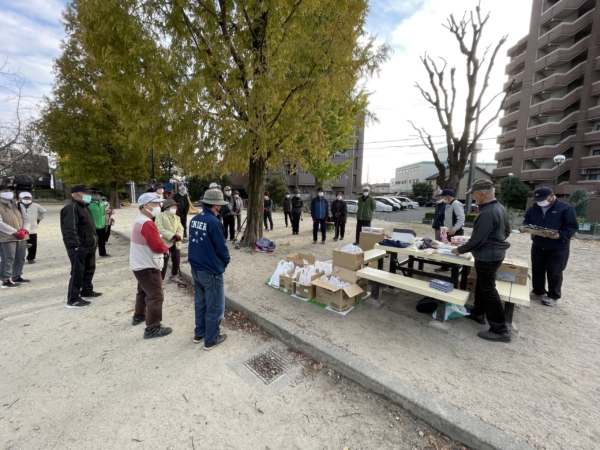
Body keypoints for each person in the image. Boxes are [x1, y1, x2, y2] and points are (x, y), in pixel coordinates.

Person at [452, 180, 511, 343]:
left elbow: (477, 239)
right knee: (482, 285)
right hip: (495, 253)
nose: (473, 197)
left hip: (487, 256)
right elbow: (507, 231)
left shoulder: (487, 212)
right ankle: (478, 312)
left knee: (489, 290)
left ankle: (500, 329)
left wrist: (460, 249)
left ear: (480, 193)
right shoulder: (500, 208)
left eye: (473, 194)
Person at [521, 187, 578, 307]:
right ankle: (538, 291)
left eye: (542, 199)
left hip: (558, 246)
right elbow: (527, 221)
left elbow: (572, 227)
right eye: (537, 199)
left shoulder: (566, 208)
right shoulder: (533, 208)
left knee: (555, 271)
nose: (540, 202)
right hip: (538, 244)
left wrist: (560, 236)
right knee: (537, 269)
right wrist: (525, 228)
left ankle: (553, 295)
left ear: (551, 196)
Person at [188, 189, 231, 350]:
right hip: (211, 271)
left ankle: (199, 333)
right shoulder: (214, 222)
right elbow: (221, 248)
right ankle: (211, 339)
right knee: (215, 306)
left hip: (196, 268)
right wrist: (225, 262)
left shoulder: (195, 219)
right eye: (220, 205)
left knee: (201, 303)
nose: (221, 207)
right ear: (215, 205)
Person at [130, 192, 172, 338]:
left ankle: (139, 315)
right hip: (148, 265)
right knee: (155, 295)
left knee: (143, 290)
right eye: (155, 204)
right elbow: (157, 246)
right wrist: (166, 248)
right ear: (146, 206)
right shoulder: (147, 223)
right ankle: (152, 327)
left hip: (139, 263)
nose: (159, 207)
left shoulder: (140, 220)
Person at [60, 184, 102, 307]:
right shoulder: (71, 208)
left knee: (89, 268)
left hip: (90, 244)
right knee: (78, 272)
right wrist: (75, 245)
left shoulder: (85, 207)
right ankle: (73, 299)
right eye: (86, 194)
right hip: (79, 246)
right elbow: (69, 228)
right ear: (77, 195)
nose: (89, 196)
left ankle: (87, 290)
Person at [0, 183, 30, 289]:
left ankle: (17, 276)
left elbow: (27, 218)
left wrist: (25, 229)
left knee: (20, 257)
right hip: (6, 237)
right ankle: (6, 279)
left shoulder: (17, 205)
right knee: (8, 258)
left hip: (21, 236)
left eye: (10, 190)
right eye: (5, 191)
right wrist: (14, 231)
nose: (8, 193)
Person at [155, 199, 185, 285]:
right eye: (173, 206)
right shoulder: (160, 216)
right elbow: (159, 228)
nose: (175, 208)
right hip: (165, 241)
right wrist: (171, 236)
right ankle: (160, 279)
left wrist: (178, 236)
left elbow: (180, 228)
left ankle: (174, 274)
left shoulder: (177, 217)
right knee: (163, 261)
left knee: (176, 260)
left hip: (176, 242)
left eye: (176, 207)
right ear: (167, 207)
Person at [18, 192, 46, 264]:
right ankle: (19, 258)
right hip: (20, 228)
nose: (27, 199)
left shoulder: (35, 206)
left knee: (32, 245)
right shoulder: (16, 205)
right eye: (25, 198)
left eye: (28, 197)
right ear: (20, 198)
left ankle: (31, 257)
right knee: (20, 245)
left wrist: (38, 219)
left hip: (32, 228)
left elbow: (43, 211)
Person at [432, 189, 450, 273]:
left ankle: (445, 266)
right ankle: (441, 261)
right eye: (436, 196)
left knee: (443, 245)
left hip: (443, 228)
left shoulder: (445, 205)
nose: (437, 198)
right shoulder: (438, 205)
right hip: (437, 227)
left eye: (438, 196)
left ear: (443, 197)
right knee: (438, 243)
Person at [88, 189, 109, 257]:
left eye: (98, 194)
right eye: (95, 193)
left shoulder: (102, 203)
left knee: (102, 240)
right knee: (92, 241)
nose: (97, 195)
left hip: (102, 225)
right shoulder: (87, 203)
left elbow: (104, 212)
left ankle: (102, 252)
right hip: (92, 225)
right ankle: (90, 255)